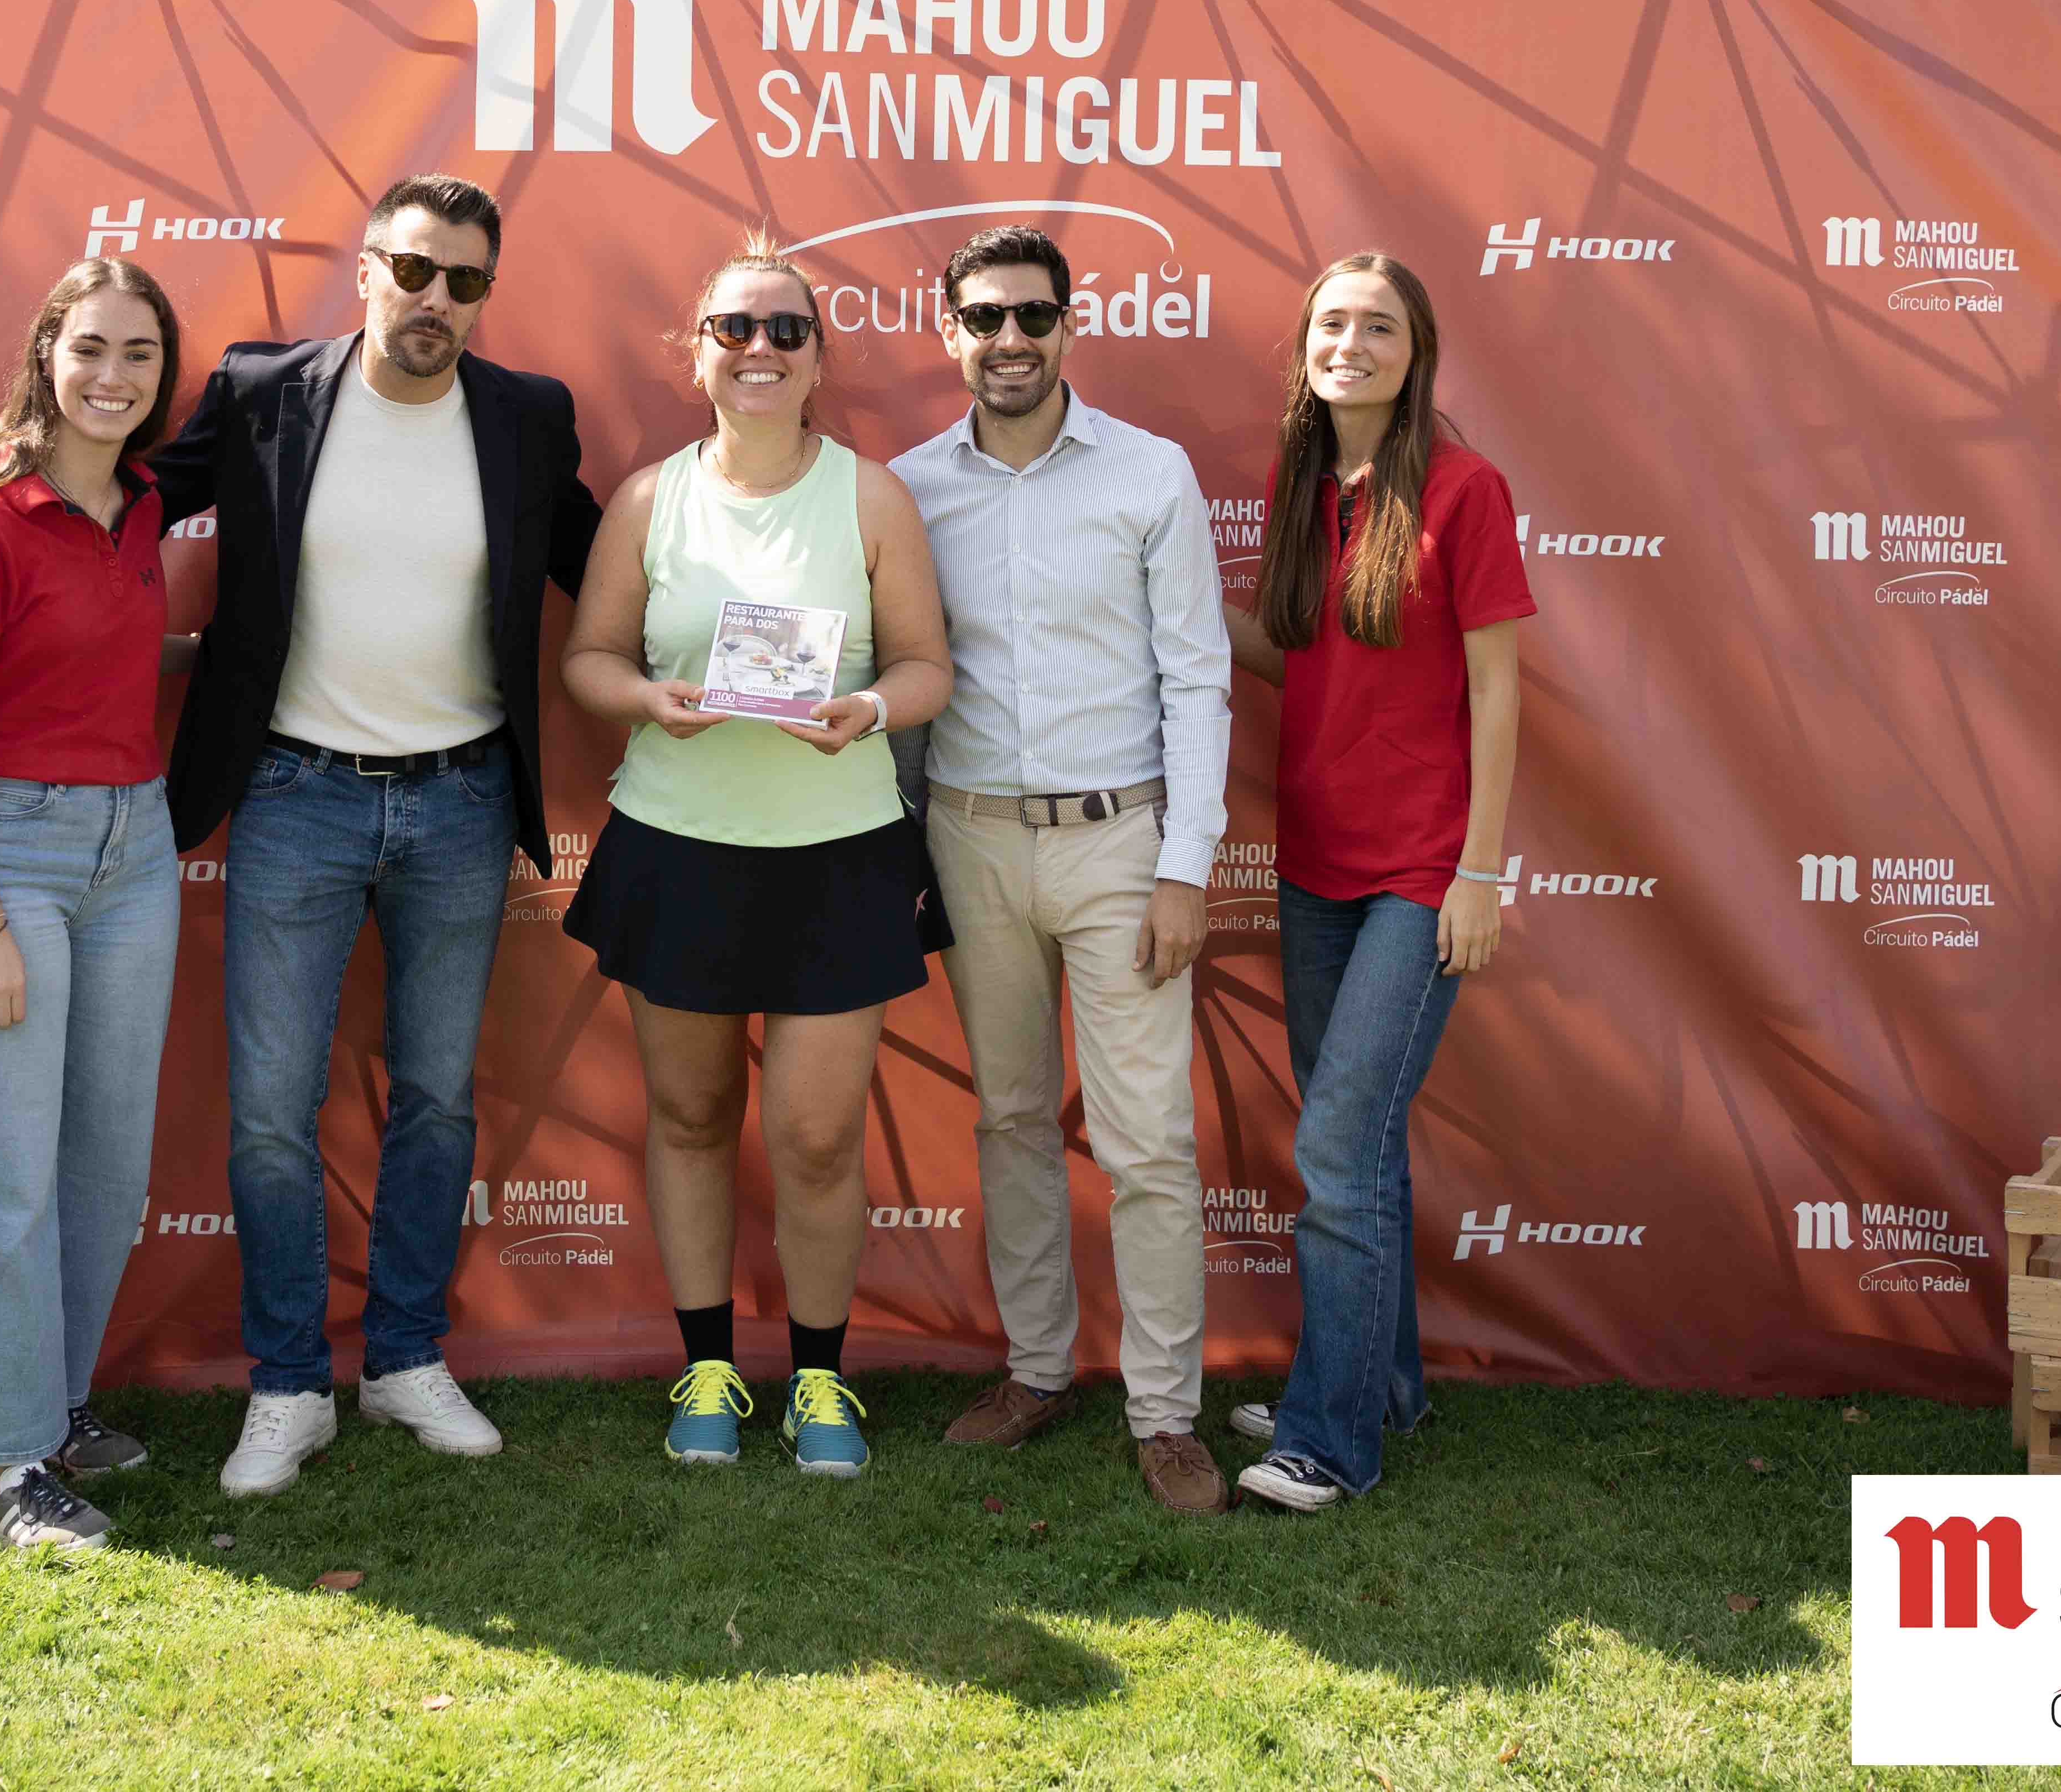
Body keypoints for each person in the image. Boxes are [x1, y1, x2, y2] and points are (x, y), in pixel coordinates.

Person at [150, 175, 603, 1496]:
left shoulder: (525, 416)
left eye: (464, 281)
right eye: (413, 270)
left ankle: (405, 1355)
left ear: (486, 295)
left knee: (439, 1099)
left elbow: (607, 563)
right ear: (366, 269)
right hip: (294, 793)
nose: (434, 300)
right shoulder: (262, 392)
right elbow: (121, 496)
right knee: (270, 1114)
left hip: (460, 801)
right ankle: (288, 1382)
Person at [561, 233, 953, 1477]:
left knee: (819, 1139)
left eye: (787, 329)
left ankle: (821, 1381)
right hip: (677, 846)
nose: (761, 349)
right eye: (735, 328)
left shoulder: (871, 498)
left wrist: (869, 710)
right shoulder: (648, 500)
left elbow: (927, 669)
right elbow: (588, 659)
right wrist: (647, 698)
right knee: (689, 1116)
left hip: (837, 855)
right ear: (699, 356)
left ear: (819, 359)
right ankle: (708, 1369)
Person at [886, 225, 1236, 1516]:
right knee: (1010, 1116)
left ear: (1069, 325)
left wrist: (1183, 866)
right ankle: (1037, 1368)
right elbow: (903, 678)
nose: (1010, 338)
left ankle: (1165, 1412)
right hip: (969, 836)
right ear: (950, 334)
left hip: (1120, 841)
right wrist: (901, 846)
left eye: (1032, 314)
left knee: (1148, 1139)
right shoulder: (908, 488)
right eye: (984, 317)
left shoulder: (1149, 472)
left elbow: (1198, 679)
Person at [1220, 253, 1532, 1513]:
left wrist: (1479, 871)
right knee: (1363, 1144)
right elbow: (1298, 656)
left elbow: (1497, 688)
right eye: (1332, 323)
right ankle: (1379, 1382)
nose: (1351, 343)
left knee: (1339, 1145)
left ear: (1417, 352)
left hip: (1421, 873)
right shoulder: (1302, 486)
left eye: (1379, 326)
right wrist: (1164, 603)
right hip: (1314, 867)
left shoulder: (1464, 487)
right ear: (1305, 346)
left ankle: (1330, 1440)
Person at [0, 256, 190, 1550]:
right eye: (91, 349)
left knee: (107, 1168)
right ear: (47, 358)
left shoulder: (142, 506)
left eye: (139, 353)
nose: (113, 376)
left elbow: (94, 654)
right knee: (6, 1180)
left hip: (134, 849)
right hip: (6, 853)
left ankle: (56, 1410)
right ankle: (5, 1468)